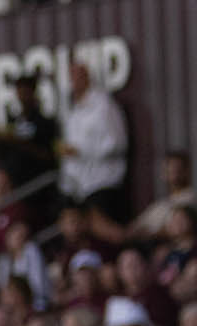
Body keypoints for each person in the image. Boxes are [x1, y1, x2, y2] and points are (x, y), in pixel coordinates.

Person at [59, 62, 129, 241]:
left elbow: (116, 143)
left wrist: (80, 151)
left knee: (106, 233)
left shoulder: (104, 106)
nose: (73, 82)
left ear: (87, 77)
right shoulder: (74, 110)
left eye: (77, 77)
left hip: (102, 181)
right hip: (78, 185)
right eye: (71, 78)